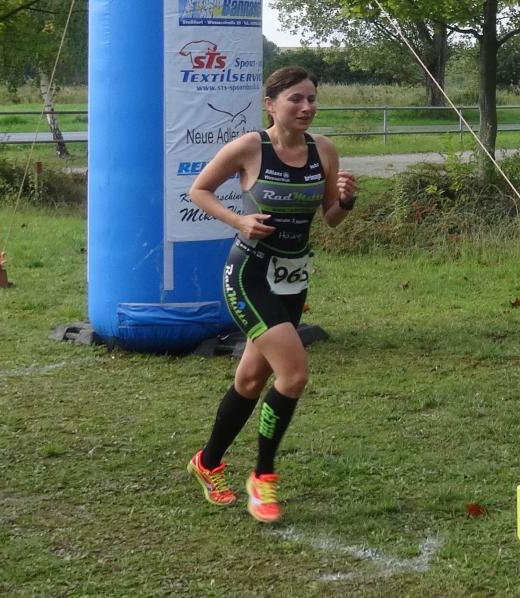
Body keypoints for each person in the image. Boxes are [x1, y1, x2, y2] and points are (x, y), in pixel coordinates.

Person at [186, 66, 358, 523]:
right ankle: (262, 477)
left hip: (293, 278)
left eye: (312, 99)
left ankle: (206, 462)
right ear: (271, 104)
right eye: (295, 99)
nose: (306, 107)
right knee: (294, 375)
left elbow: (331, 218)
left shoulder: (324, 150)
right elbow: (199, 190)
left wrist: (346, 200)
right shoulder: (250, 147)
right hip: (249, 275)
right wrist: (239, 220)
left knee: (249, 382)